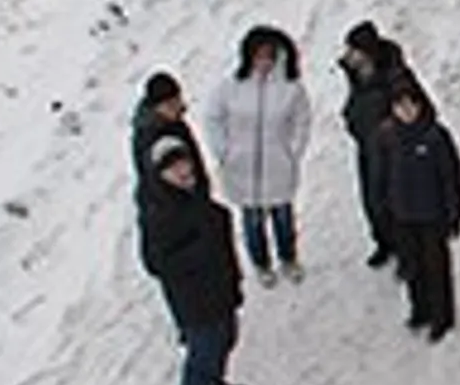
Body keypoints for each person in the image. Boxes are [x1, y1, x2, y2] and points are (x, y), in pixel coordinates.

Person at [138, 136, 246, 385]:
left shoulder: (193, 193)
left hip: (219, 284)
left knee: (226, 338)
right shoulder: (159, 211)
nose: (183, 171)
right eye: (173, 168)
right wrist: (202, 249)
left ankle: (214, 384)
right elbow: (156, 262)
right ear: (160, 174)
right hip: (195, 296)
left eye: (184, 162)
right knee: (205, 350)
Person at [208, 26, 313, 285]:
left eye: (270, 56)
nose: (264, 62)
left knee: (283, 218)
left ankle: (288, 258)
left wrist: (293, 152)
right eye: (259, 55)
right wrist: (224, 150)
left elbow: (302, 122)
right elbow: (214, 118)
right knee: (252, 222)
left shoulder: (291, 89)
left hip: (278, 165)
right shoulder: (230, 87)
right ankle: (262, 263)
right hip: (242, 167)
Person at [380, 79, 460, 341]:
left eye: (410, 105)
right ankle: (420, 310)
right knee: (412, 266)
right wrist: (386, 208)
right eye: (399, 106)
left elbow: (451, 177)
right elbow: (382, 176)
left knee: (436, 268)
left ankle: (442, 317)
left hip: (433, 216)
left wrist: (454, 214)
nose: (406, 111)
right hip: (403, 216)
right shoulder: (389, 137)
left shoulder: (436, 136)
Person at [336, 25, 420, 271]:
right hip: (367, 145)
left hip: (391, 150)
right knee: (372, 201)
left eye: (354, 50)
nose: (350, 55)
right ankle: (384, 243)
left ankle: (406, 253)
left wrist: (391, 126)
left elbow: (405, 95)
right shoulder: (357, 74)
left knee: (395, 203)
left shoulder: (393, 72)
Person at [129, 72, 205, 197]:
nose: (176, 108)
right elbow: (157, 185)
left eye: (177, 101)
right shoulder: (150, 135)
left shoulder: (176, 123)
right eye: (169, 105)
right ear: (156, 107)